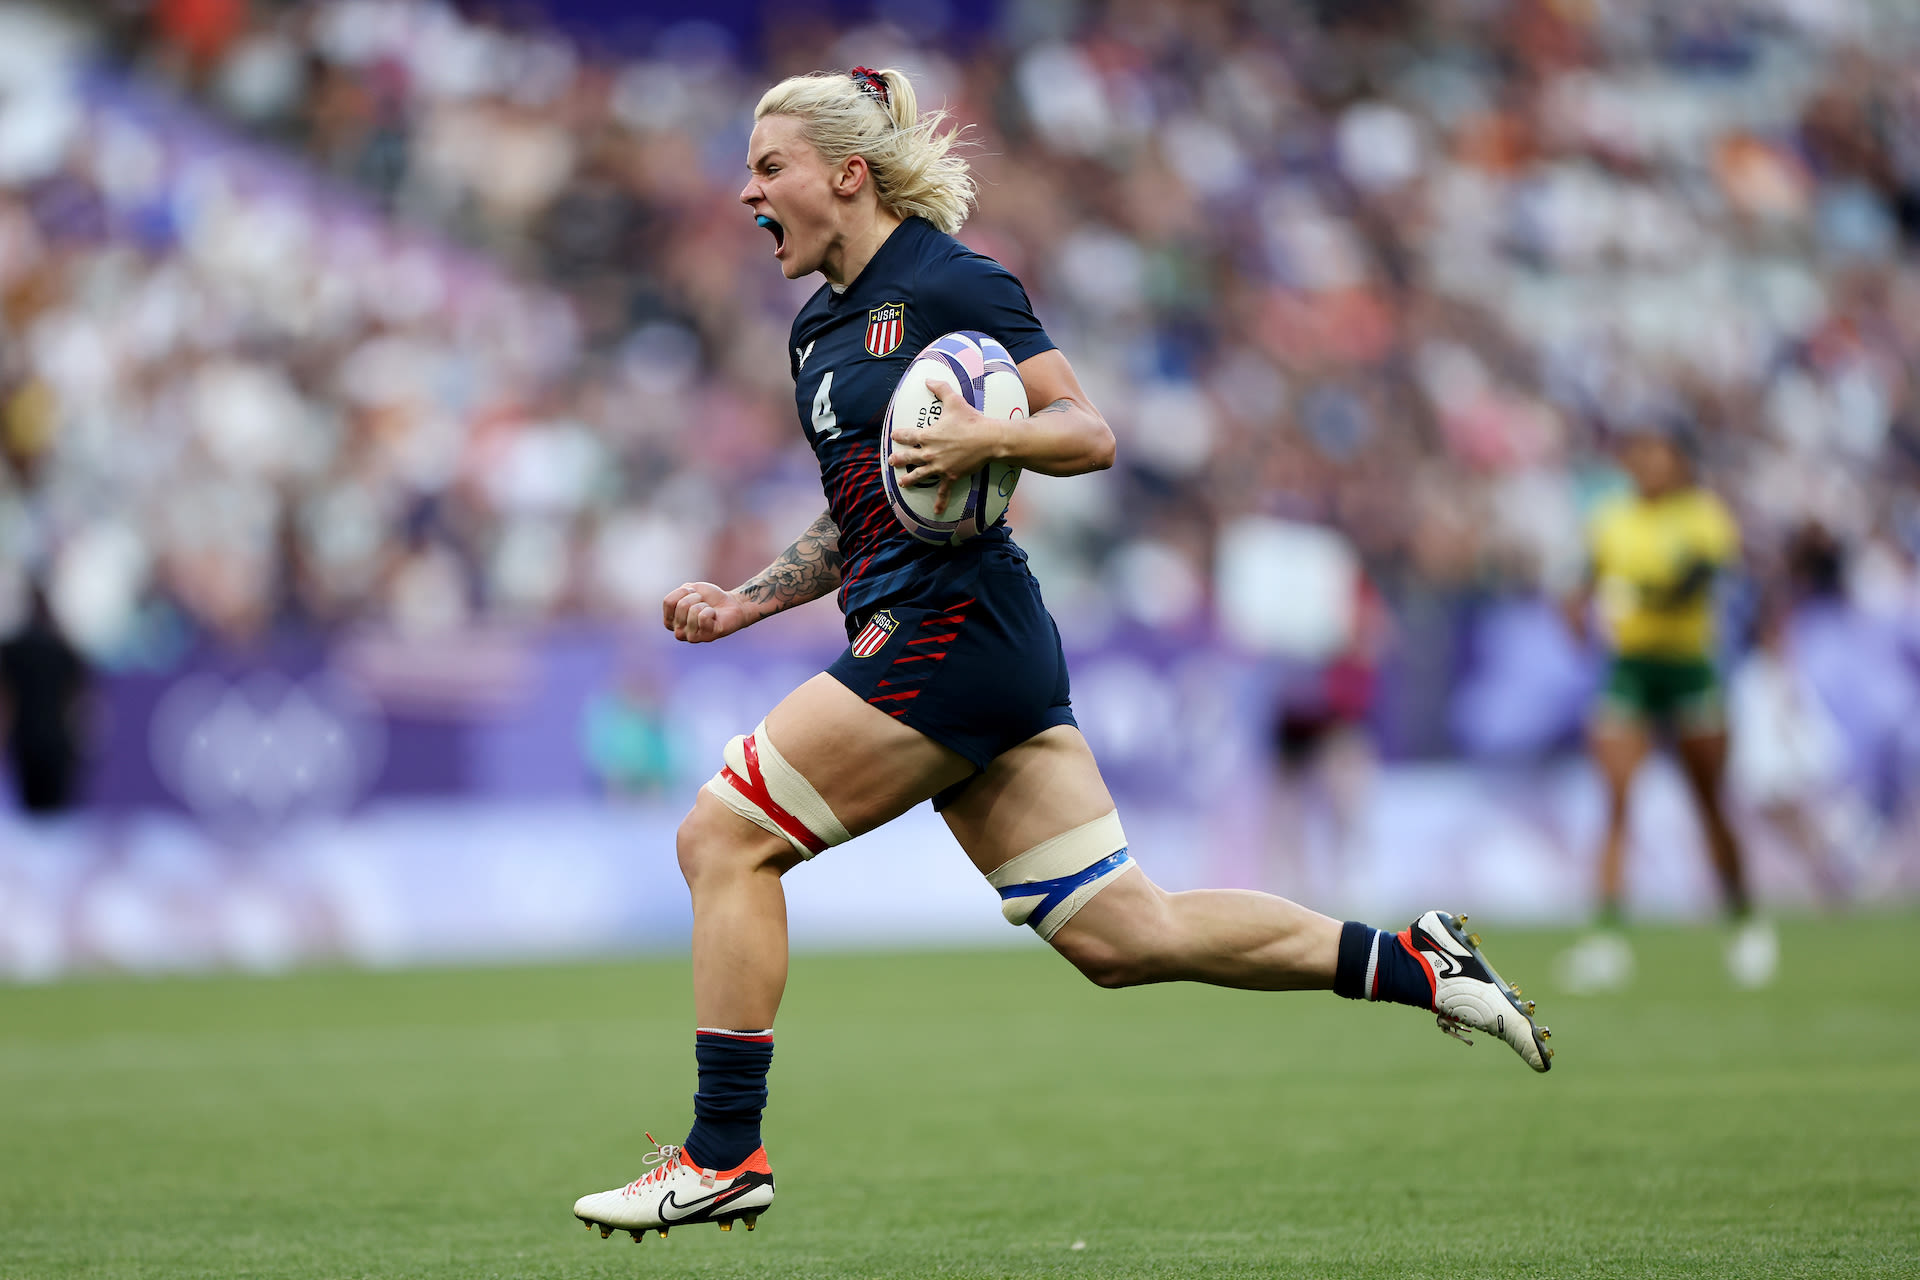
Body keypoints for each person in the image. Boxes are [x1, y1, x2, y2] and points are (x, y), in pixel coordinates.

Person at [570, 67, 1550, 1244]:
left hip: (948, 631)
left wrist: (1000, 433)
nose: (746, 193)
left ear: (846, 173)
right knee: (1123, 934)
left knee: (721, 835)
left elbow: (1086, 429)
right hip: (964, 635)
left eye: (767, 166)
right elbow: (863, 507)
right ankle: (1414, 960)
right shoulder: (816, 333)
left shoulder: (951, 278)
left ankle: (723, 1152)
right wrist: (746, 601)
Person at [1558, 423, 1774, 993]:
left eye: (1658, 455)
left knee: (1708, 799)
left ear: (1679, 462)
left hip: (1686, 667)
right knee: (1616, 798)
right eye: (1639, 455)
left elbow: (1695, 583)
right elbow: (1582, 585)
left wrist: (1632, 596)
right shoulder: (1611, 520)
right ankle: (1606, 936)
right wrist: (1577, 611)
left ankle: (1743, 919)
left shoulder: (1703, 516)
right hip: (1630, 670)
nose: (1646, 466)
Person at [0, 581, 90, 816]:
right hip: (56, 737)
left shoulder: (13, 648)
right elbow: (78, 696)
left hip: (25, 738)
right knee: (56, 816)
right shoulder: (62, 648)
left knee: (32, 817)